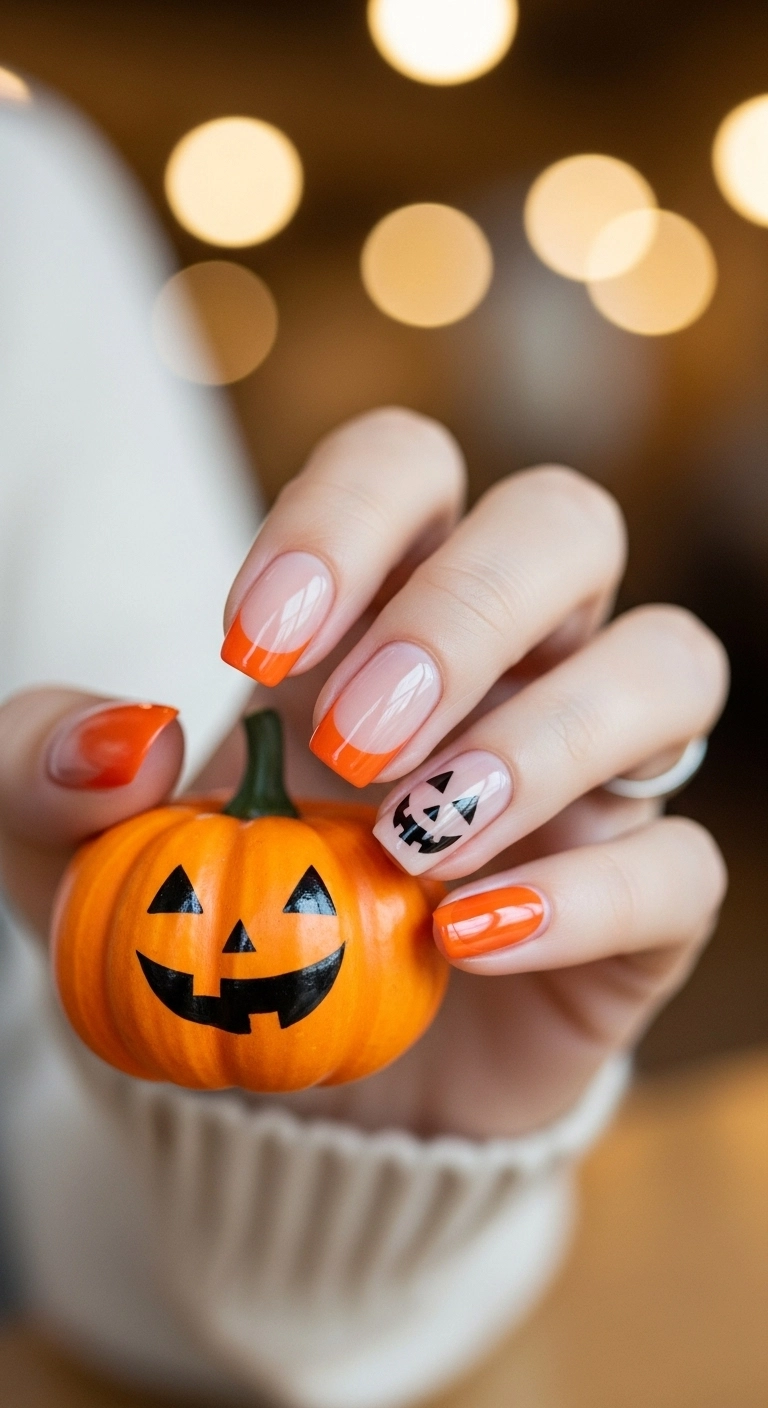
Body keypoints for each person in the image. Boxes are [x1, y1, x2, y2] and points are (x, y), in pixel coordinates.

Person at [0, 83, 728, 1408]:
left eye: (195, 906)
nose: (221, 942)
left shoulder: (18, 219)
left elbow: (60, 1195)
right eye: (193, 910)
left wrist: (321, 1167)